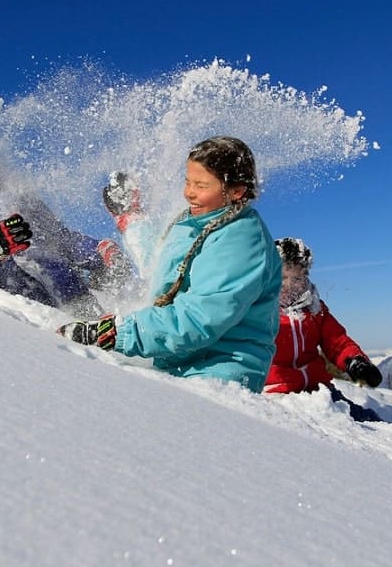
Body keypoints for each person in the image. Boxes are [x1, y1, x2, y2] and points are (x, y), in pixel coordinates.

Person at [58, 136, 282, 393]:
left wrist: (117, 333)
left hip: (220, 376)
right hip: (183, 363)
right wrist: (132, 219)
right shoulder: (197, 221)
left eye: (201, 185)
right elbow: (162, 259)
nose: (189, 193)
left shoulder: (241, 240)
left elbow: (198, 319)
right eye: (187, 181)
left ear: (236, 191)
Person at [0, 128, 132, 317]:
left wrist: (99, 251)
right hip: (28, 318)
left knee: (111, 356)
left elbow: (61, 238)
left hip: (76, 298)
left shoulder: (20, 198)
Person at [263, 237, 382, 422]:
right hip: (277, 391)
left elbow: (337, 342)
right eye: (283, 278)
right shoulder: (260, 312)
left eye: (297, 278)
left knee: (367, 420)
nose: (289, 285)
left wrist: (355, 361)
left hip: (319, 390)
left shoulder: (315, 309)